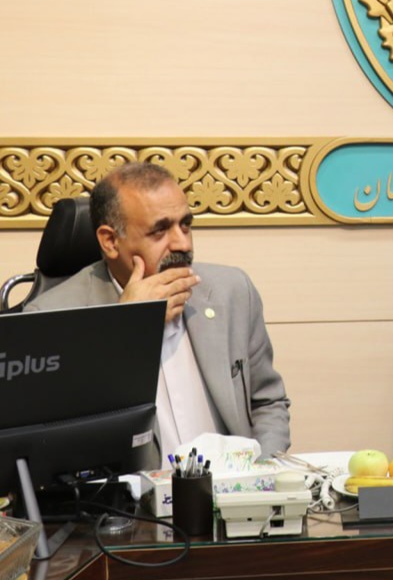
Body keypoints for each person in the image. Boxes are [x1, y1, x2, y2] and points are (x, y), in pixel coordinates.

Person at [26, 162, 291, 464]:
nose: (182, 243)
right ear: (110, 241)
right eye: (160, 230)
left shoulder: (232, 292)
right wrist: (126, 329)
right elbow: (60, 441)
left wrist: (260, 475)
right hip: (130, 493)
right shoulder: (51, 317)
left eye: (185, 225)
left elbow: (268, 403)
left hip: (235, 488)